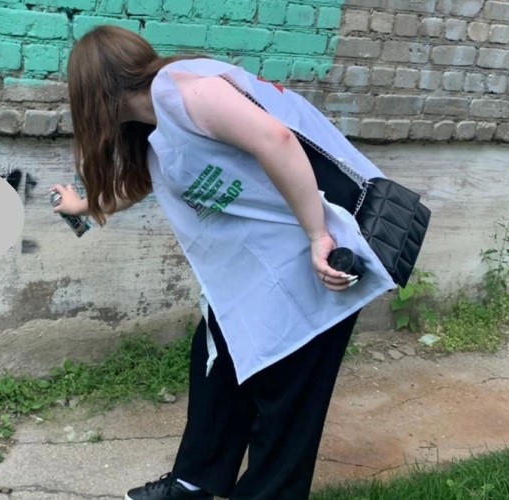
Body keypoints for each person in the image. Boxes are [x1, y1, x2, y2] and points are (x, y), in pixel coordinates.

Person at [50, 26, 396, 500]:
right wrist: (86, 206)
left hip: (316, 258)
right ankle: (192, 483)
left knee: (288, 401)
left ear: (95, 94)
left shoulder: (186, 92)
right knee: (216, 363)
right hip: (263, 270)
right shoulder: (158, 124)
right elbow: (146, 182)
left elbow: (276, 138)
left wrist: (319, 236)